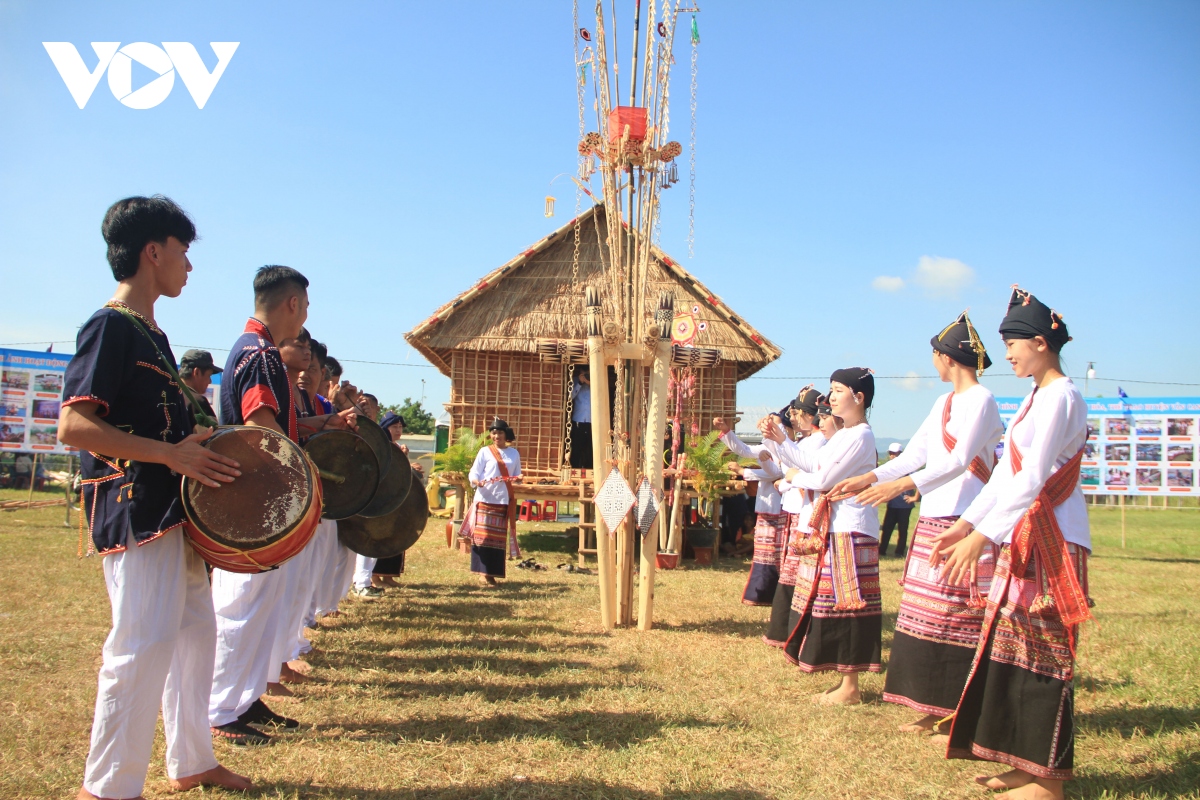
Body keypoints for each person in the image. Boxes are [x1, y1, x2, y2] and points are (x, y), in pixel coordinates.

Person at [58, 195, 250, 798]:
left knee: (196, 634)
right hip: (138, 510)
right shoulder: (110, 325)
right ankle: (106, 787)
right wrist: (170, 454)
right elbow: (75, 426)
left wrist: (186, 440)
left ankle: (191, 758)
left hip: (172, 512)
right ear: (153, 251)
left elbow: (151, 423)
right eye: (183, 253)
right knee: (140, 646)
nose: (188, 267)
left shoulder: (150, 333)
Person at [930, 288, 1092, 800]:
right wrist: (967, 524)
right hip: (1026, 533)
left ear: (1041, 343)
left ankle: (1048, 782)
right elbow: (1005, 475)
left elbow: (1032, 480)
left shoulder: (1062, 395)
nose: (1008, 356)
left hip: (1053, 536)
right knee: (1014, 649)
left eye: (1013, 345)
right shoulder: (1034, 397)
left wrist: (982, 535)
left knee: (1046, 655)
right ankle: (1025, 763)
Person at [834, 310, 1004, 735]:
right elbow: (915, 453)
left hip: (965, 517)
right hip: (934, 515)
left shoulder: (981, 400)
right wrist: (873, 476)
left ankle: (958, 711)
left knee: (958, 615)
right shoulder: (943, 402)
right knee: (927, 615)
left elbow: (958, 460)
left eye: (933, 353)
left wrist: (900, 485)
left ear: (946, 357)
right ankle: (932, 708)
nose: (932, 360)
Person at [208, 266, 354, 747]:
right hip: (255, 500)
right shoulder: (259, 354)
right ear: (292, 304)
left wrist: (317, 430)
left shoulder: (255, 351)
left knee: (262, 606)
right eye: (306, 306)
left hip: (261, 498)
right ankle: (222, 708)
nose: (306, 317)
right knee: (243, 608)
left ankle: (244, 700)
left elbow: (279, 428)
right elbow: (263, 430)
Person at [779, 368, 882, 705]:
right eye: (832, 390)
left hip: (851, 526)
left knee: (849, 603)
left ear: (859, 397)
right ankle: (845, 680)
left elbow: (825, 478)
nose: (832, 397)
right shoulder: (845, 435)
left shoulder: (861, 435)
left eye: (838, 390)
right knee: (836, 602)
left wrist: (795, 476)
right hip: (838, 527)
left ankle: (850, 686)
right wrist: (780, 443)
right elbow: (812, 463)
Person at [758, 388, 828, 646]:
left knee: (798, 575)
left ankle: (789, 632)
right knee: (792, 574)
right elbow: (786, 466)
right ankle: (783, 630)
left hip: (806, 513)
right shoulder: (808, 441)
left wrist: (786, 480)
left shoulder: (819, 442)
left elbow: (801, 471)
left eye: (797, 413)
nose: (793, 418)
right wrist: (774, 440)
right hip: (799, 509)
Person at [712, 411, 786, 605]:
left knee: (776, 553)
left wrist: (744, 471)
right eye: (766, 424)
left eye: (774, 424)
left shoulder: (787, 449)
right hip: (767, 505)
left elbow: (776, 473)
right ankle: (761, 593)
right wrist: (727, 432)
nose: (768, 427)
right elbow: (744, 450)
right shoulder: (768, 446)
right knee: (764, 551)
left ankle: (774, 593)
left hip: (782, 507)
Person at [461, 418, 521, 586]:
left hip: (502, 501)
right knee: (483, 537)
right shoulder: (485, 452)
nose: (497, 436)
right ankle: (482, 572)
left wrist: (518, 479)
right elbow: (474, 473)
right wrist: (476, 481)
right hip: (485, 499)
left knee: (497, 539)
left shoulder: (514, 454)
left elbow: (516, 476)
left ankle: (492, 573)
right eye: (494, 433)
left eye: (500, 433)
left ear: (506, 434)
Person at [877, 443, 917, 557]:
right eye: (891, 453)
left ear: (900, 453)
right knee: (887, 527)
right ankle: (882, 550)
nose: (893, 456)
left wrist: (914, 497)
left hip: (905, 505)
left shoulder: (908, 467)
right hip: (892, 504)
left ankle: (899, 552)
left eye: (895, 453)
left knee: (902, 529)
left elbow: (917, 481)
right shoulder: (889, 467)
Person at [179, 349, 222, 423]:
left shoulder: (168, 394)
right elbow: (213, 433)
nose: (210, 381)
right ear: (197, 372)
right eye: (209, 375)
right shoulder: (197, 401)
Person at [568, 367, 593, 469]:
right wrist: (580, 383)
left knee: (590, 448)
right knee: (577, 448)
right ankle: (575, 469)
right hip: (578, 419)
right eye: (584, 374)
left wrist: (590, 383)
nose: (585, 376)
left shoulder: (596, 380)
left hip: (592, 421)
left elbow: (602, 393)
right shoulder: (575, 380)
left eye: (587, 373)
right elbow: (570, 397)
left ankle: (590, 469)